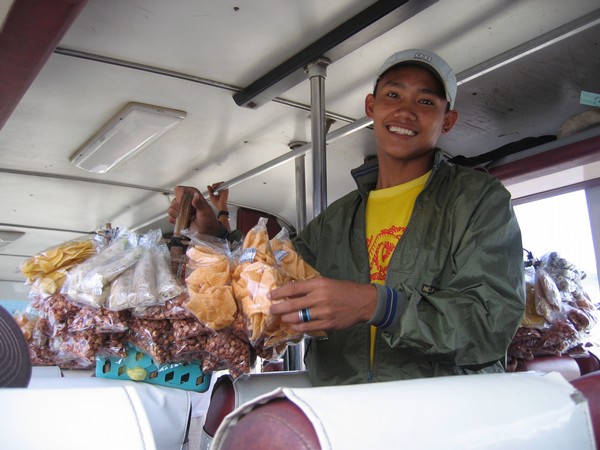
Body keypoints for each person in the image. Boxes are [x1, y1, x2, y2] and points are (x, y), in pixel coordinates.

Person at [168, 49, 525, 387]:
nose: (406, 111)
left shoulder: (477, 200)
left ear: (447, 120)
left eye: (426, 101)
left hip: (440, 416)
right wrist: (214, 234)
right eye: (393, 95)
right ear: (371, 106)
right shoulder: (336, 220)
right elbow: (272, 277)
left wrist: (376, 305)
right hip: (341, 410)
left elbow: (491, 327)